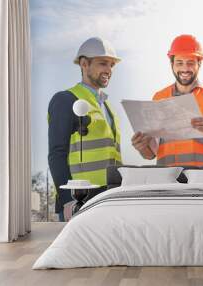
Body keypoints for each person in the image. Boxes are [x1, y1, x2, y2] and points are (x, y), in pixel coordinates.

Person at [131, 34, 203, 166]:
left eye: (190, 63)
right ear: (172, 64)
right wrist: (142, 146)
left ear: (199, 64)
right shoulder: (159, 98)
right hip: (169, 181)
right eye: (179, 63)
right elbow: (150, 154)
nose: (185, 69)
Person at [48, 37, 122, 221]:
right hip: (79, 199)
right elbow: (57, 153)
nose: (108, 70)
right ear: (84, 64)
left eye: (112, 65)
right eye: (103, 63)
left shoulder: (107, 107)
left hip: (110, 196)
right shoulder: (66, 100)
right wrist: (67, 201)